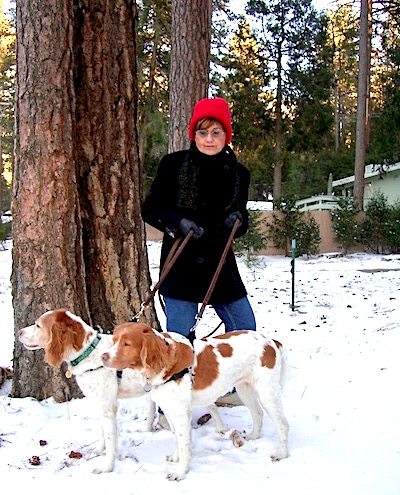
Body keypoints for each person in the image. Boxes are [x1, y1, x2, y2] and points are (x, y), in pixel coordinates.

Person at [141, 97, 256, 337]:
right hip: (181, 262)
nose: (209, 139)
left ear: (227, 134)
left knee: (245, 329)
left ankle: (228, 373)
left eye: (216, 132)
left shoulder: (239, 173)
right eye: (202, 132)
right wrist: (177, 222)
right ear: (194, 134)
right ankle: (184, 375)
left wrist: (238, 221)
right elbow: (151, 207)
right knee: (180, 340)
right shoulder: (173, 164)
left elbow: (242, 214)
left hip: (220, 264)